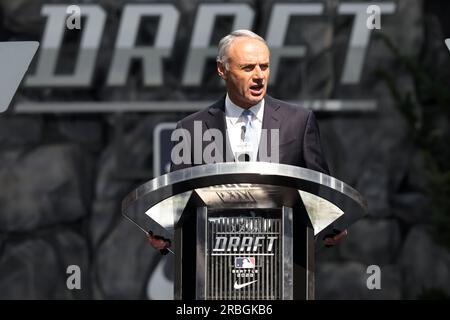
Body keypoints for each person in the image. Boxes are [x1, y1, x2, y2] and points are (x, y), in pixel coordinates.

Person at [148, 29, 345, 251]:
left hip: (284, 263)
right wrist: (165, 234)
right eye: (248, 68)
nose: (259, 75)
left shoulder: (299, 122)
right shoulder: (190, 129)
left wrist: (331, 225)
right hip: (214, 264)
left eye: (264, 66)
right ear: (222, 70)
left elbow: (322, 189)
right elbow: (177, 199)